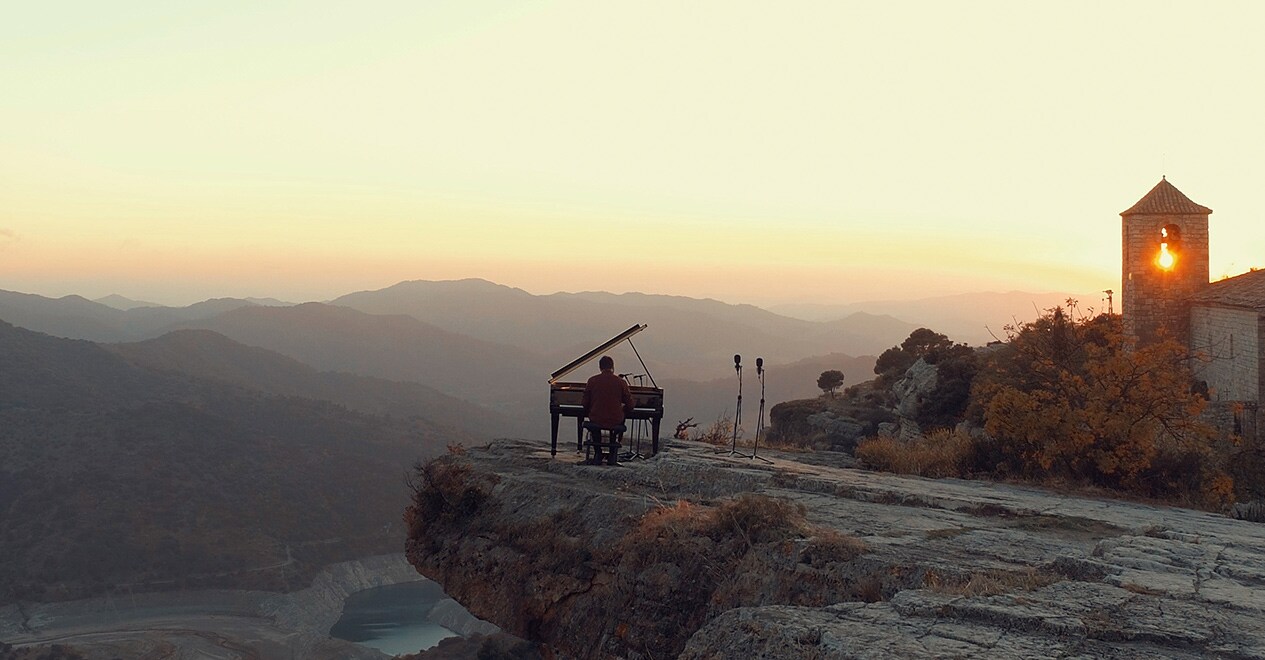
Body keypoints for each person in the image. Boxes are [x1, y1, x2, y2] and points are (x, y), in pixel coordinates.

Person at [581, 355, 634, 464]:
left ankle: (598, 453)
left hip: (596, 418)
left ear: (600, 367)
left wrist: (592, 408)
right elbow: (630, 405)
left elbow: (584, 403)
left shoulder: (592, 381)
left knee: (595, 424)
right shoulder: (621, 382)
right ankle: (612, 453)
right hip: (615, 419)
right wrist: (623, 409)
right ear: (612, 367)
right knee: (619, 420)